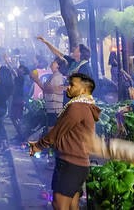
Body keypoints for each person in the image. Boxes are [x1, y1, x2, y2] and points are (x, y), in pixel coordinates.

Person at [28, 73, 100, 210]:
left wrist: (38, 146)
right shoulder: (84, 106)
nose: (68, 88)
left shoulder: (77, 107)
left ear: (84, 90)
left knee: (59, 205)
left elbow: (58, 131)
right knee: (72, 205)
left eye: (72, 85)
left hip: (71, 164)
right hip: (77, 163)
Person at [30, 58, 67, 132]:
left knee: (52, 132)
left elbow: (49, 90)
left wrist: (37, 79)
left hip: (55, 109)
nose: (52, 63)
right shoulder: (53, 76)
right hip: (51, 108)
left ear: (58, 66)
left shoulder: (58, 77)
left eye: (54, 62)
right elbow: (46, 89)